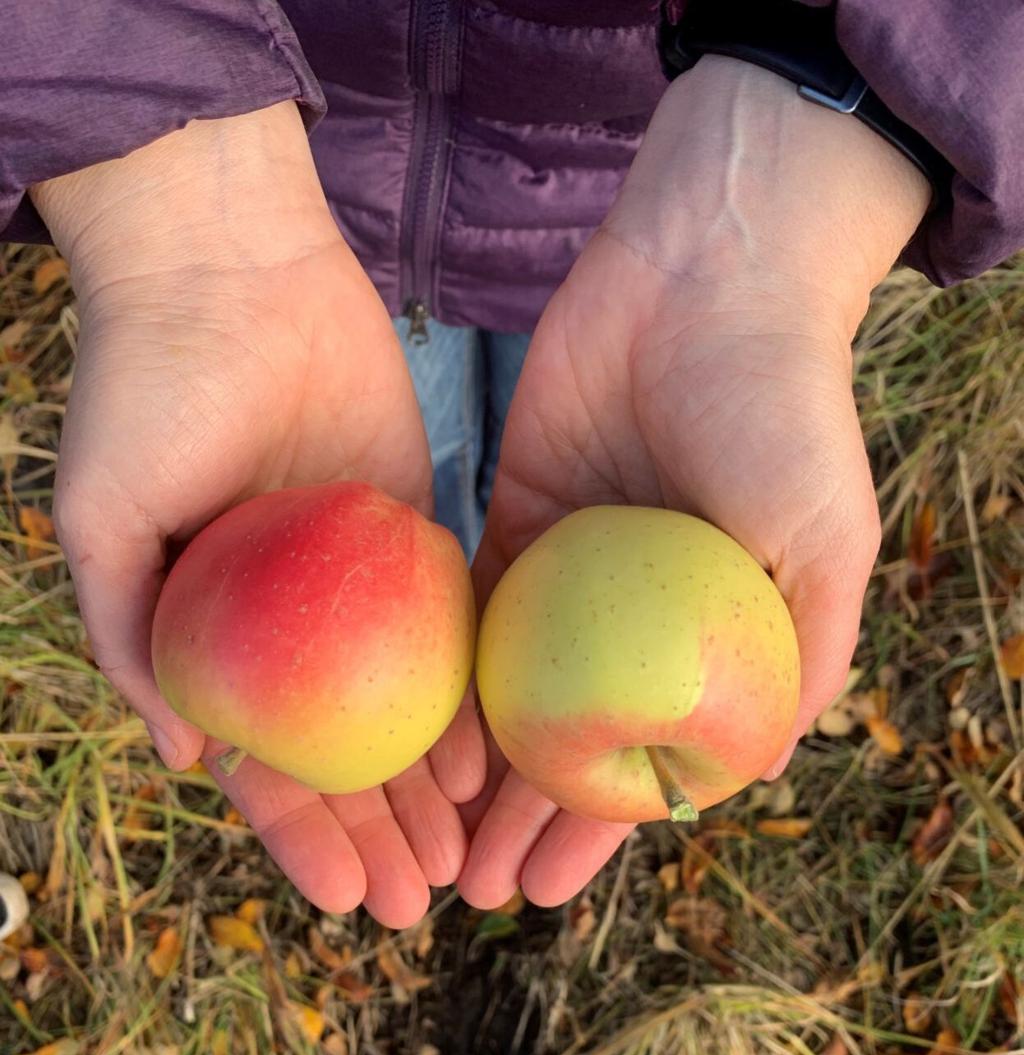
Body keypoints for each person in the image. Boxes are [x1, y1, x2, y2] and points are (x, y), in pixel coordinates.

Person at [6, 2, 1022, 929]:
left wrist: (809, 118)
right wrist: (169, 197)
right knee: (429, 457)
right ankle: (463, 555)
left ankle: (472, 560)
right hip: (301, 173)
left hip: (625, 180)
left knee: (516, 455)